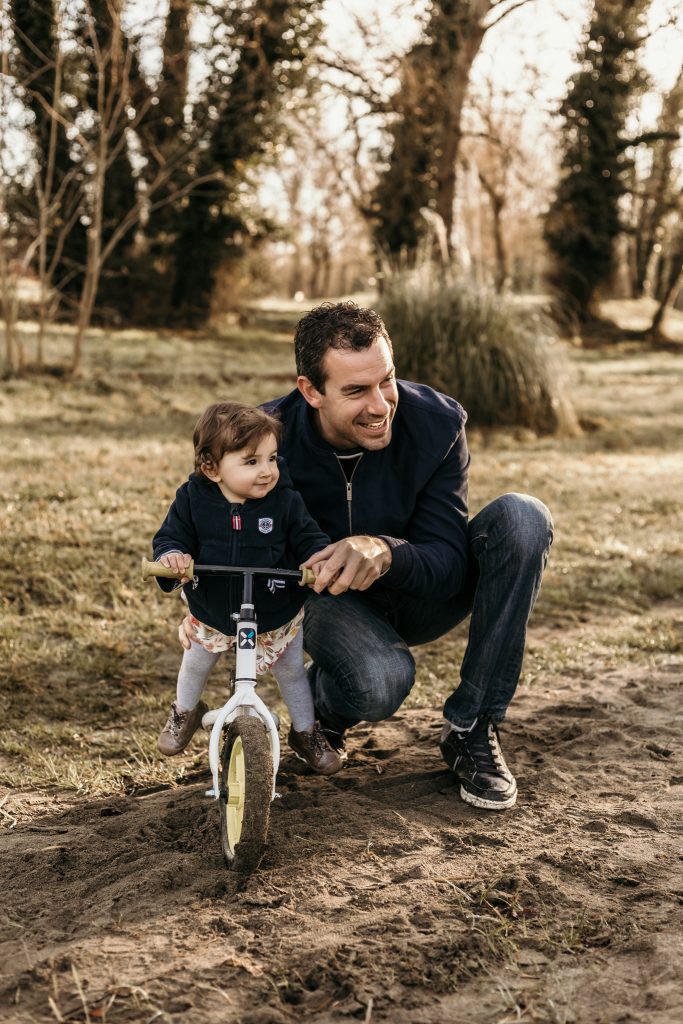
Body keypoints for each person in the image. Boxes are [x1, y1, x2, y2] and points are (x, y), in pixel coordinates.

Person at [179, 303, 554, 810]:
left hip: (419, 589)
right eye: (355, 391)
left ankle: (472, 728)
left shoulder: (438, 424)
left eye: (387, 380)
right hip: (322, 599)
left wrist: (384, 551)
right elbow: (215, 528)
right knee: (380, 683)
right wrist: (201, 602)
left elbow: (447, 563)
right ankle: (327, 709)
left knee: (523, 517)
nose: (380, 405)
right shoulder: (265, 443)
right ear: (310, 391)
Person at [152, 401, 343, 775]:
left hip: (277, 611)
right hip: (213, 610)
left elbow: (309, 537)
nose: (267, 471)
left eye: (272, 459)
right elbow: (170, 538)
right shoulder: (192, 499)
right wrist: (173, 558)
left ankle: (307, 733)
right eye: (251, 462)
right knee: (195, 662)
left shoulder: (285, 501)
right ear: (212, 468)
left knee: (291, 672)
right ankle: (185, 713)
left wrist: (317, 559)